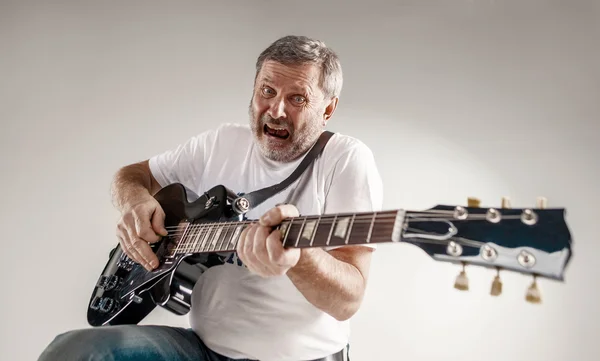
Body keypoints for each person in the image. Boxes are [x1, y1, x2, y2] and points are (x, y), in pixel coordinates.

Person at [38, 35, 383, 361]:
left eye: (297, 98)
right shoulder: (220, 144)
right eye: (267, 90)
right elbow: (131, 175)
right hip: (201, 349)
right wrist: (134, 201)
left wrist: (299, 260)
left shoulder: (346, 159)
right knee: (73, 350)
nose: (276, 110)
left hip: (299, 356)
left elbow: (347, 300)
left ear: (327, 110)